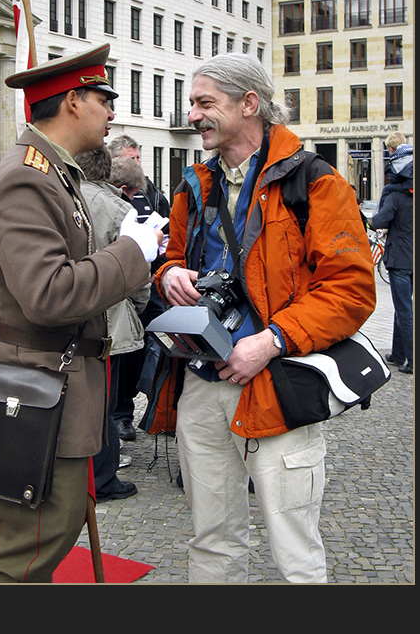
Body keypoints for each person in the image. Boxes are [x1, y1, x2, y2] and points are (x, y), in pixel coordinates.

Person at [149, 52, 375, 583]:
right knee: (212, 544)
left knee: (296, 554)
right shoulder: (194, 184)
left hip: (276, 387)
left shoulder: (316, 183)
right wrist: (170, 275)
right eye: (191, 103)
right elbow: (169, 256)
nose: (193, 115)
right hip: (202, 385)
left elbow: (352, 289)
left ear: (250, 103)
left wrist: (271, 341)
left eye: (205, 103)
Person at [0, 44, 162, 582]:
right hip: (34, 392)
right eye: (104, 98)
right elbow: (48, 294)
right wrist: (131, 254)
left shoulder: (56, 173)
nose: (111, 111)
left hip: (52, 387)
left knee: (44, 544)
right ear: (74, 101)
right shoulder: (26, 177)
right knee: (25, 559)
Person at [77, 147, 148, 499]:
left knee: (81, 398)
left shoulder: (63, 196)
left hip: (69, 314)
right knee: (103, 403)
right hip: (110, 317)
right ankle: (103, 480)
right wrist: (139, 308)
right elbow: (137, 272)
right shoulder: (120, 210)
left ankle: (82, 473)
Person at [107, 136, 171, 443]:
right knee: (126, 352)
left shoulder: (152, 192)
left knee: (158, 344)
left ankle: (158, 406)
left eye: (138, 158)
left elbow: (170, 223)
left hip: (154, 281)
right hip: (126, 288)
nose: (137, 165)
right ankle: (120, 414)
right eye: (131, 159)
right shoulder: (111, 196)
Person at [369, 132, 412, 374]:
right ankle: (398, 353)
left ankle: (412, 360)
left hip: (399, 257)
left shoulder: (395, 194)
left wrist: (369, 221)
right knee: (402, 306)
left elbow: (381, 221)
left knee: (404, 309)